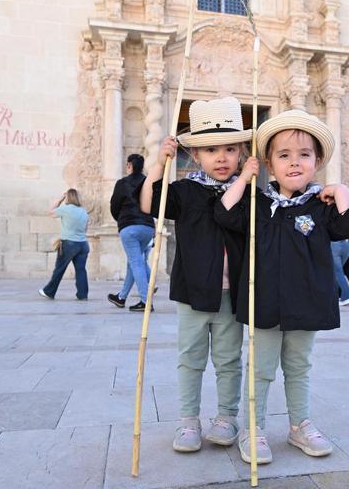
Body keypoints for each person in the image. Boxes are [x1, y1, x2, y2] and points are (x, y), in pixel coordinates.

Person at [216, 109, 349, 464]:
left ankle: (299, 424)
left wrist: (341, 189)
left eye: (304, 155)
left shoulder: (320, 206)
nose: (294, 163)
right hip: (264, 302)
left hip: (305, 304)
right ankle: (254, 429)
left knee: (298, 365)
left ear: (317, 162)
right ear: (269, 162)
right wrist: (244, 177)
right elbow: (224, 212)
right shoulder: (258, 203)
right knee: (262, 368)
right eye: (284, 156)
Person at [139, 97, 248, 454]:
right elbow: (148, 203)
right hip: (193, 293)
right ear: (196, 156)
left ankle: (227, 417)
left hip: (233, 296)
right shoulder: (185, 191)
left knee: (229, 359)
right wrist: (160, 164)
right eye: (211, 149)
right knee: (191, 358)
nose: (221, 157)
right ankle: (188, 420)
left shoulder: (247, 193)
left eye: (230, 149)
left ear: (241, 153)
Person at [108, 154, 156, 311]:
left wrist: (121, 221)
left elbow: (114, 205)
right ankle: (121, 297)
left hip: (129, 228)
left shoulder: (122, 183)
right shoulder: (148, 182)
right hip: (148, 227)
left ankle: (145, 301)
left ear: (129, 165)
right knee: (134, 262)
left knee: (136, 262)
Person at [38, 189, 90, 300]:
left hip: (69, 244)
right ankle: (83, 295)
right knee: (81, 270)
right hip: (83, 244)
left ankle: (49, 292)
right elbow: (85, 229)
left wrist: (60, 200)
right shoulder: (84, 211)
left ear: (68, 197)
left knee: (59, 269)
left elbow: (50, 212)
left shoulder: (65, 209)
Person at [331, 240, 349, 306]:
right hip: (346, 245)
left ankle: (346, 297)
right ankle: (339, 295)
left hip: (334, 244)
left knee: (338, 272)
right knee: (338, 272)